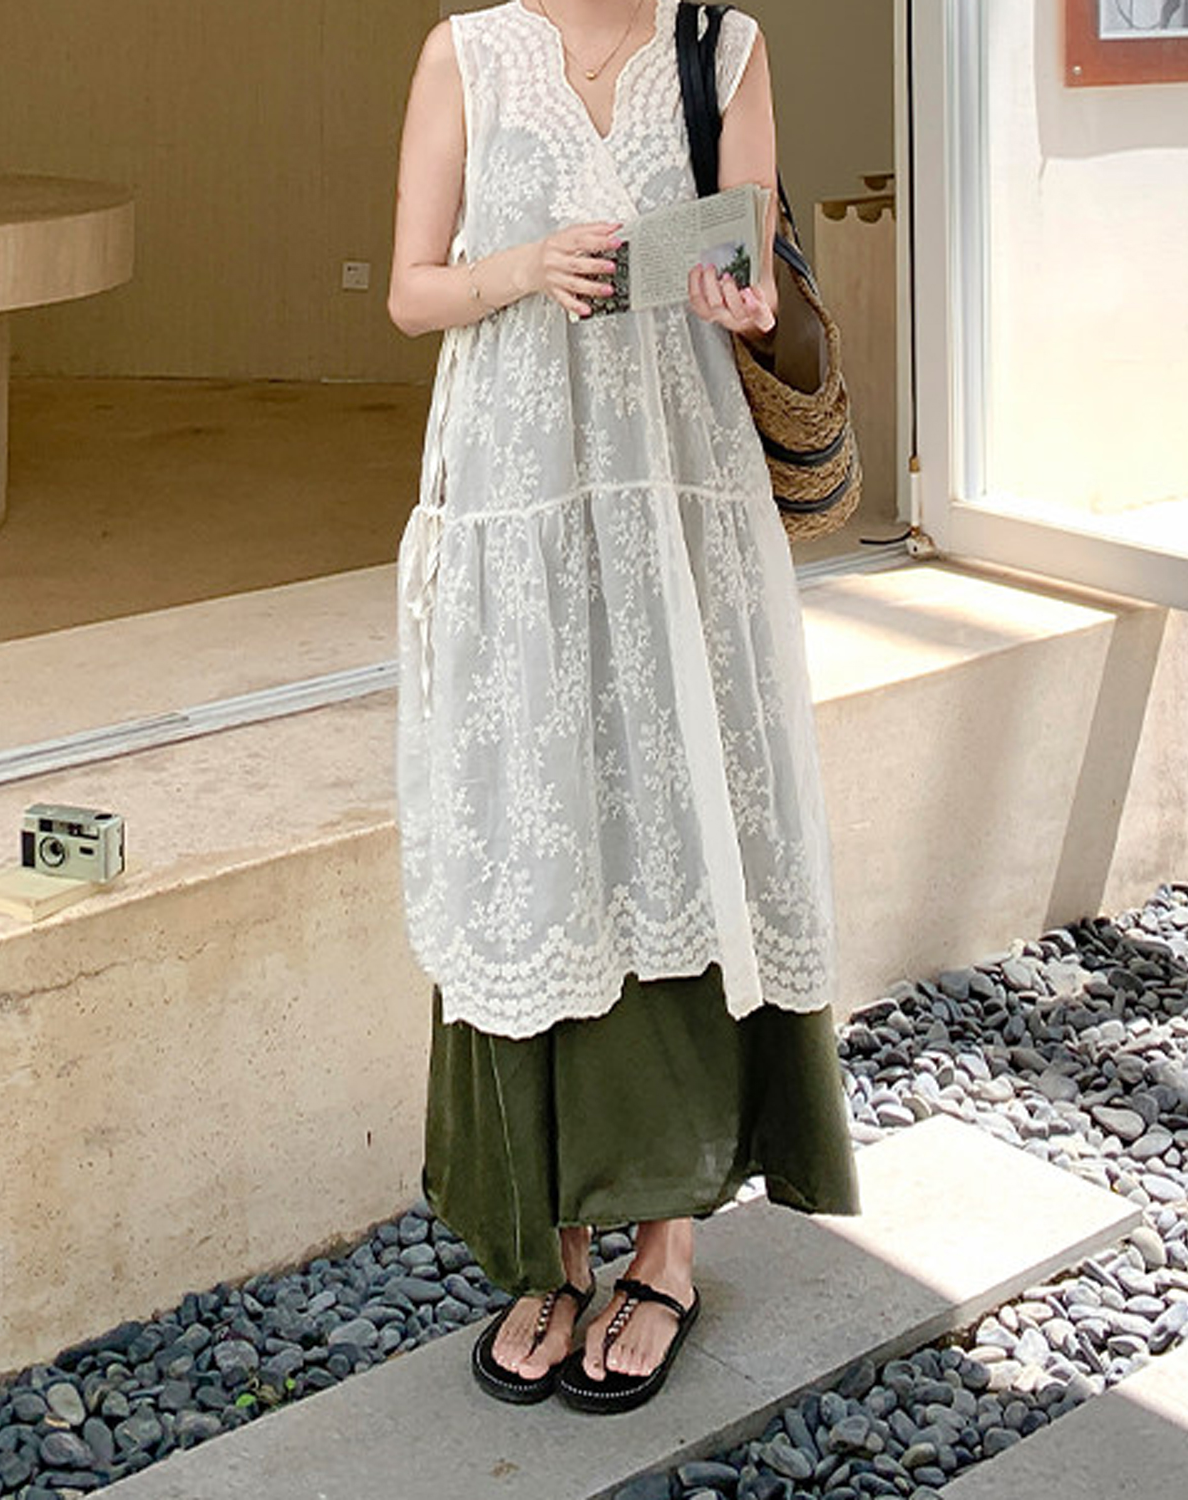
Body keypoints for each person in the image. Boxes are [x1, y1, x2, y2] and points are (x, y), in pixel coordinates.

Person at [387, 0, 861, 1414]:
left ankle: (665, 1249)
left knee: (679, 822)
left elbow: (748, 259)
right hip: (518, 496)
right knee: (536, 844)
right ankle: (548, 1247)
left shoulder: (726, 47)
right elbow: (411, 292)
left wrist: (743, 301)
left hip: (678, 492)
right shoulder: (465, 53)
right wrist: (524, 268)